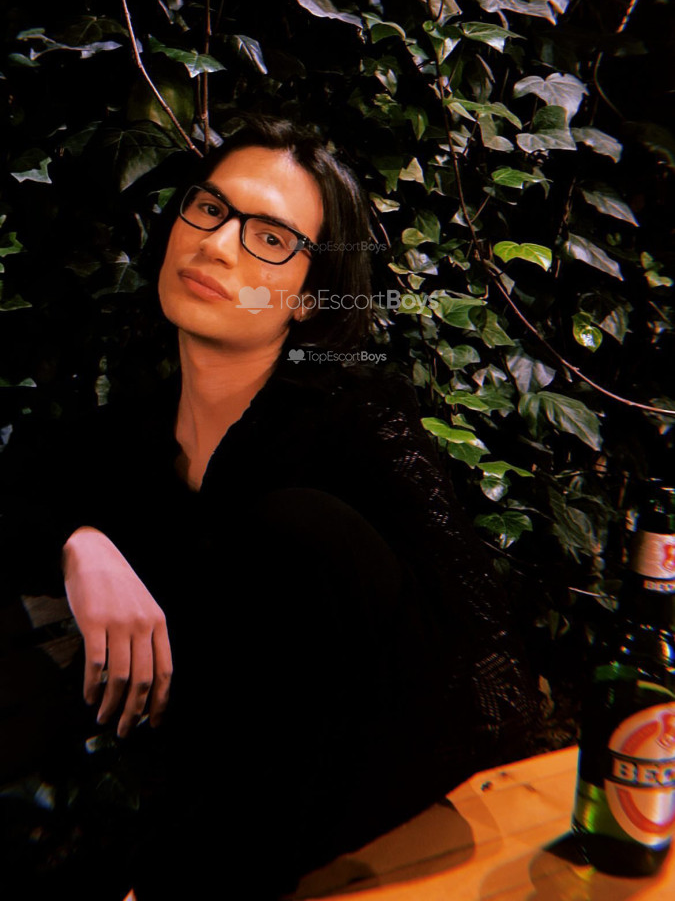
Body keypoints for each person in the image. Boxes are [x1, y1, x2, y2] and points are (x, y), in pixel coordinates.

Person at [1, 114, 539, 899]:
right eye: (209, 209)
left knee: (296, 530)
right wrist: (81, 545)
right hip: (149, 812)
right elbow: (21, 497)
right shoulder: (130, 434)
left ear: (310, 299)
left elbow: (498, 694)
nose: (218, 245)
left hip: (310, 840)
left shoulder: (361, 432)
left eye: (271, 239)